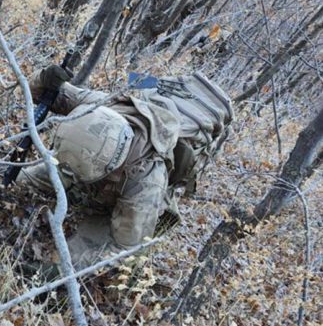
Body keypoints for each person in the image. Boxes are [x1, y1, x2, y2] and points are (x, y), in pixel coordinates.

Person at [16, 65, 232, 270]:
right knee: (21, 180)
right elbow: (41, 91)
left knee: (80, 254)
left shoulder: (147, 184)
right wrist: (46, 77)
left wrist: (57, 274)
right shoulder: (99, 107)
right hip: (86, 166)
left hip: (130, 187)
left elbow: (125, 251)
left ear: (110, 167)